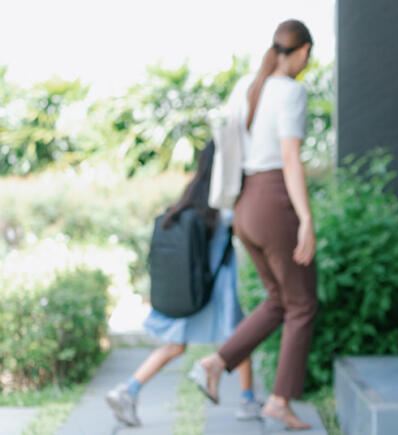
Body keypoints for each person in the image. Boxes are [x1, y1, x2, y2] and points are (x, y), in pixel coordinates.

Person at [187, 19, 318, 431]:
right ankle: (278, 400)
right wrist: (306, 220)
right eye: (307, 57)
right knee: (303, 304)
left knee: (280, 299)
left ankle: (216, 361)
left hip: (245, 206)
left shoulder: (247, 85)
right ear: (303, 53)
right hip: (275, 201)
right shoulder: (292, 91)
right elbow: (290, 159)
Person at [105, 143, 259, 427]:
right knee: (241, 339)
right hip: (216, 287)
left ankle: (128, 390)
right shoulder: (225, 201)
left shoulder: (192, 196)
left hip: (192, 287)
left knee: (175, 346)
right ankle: (248, 401)